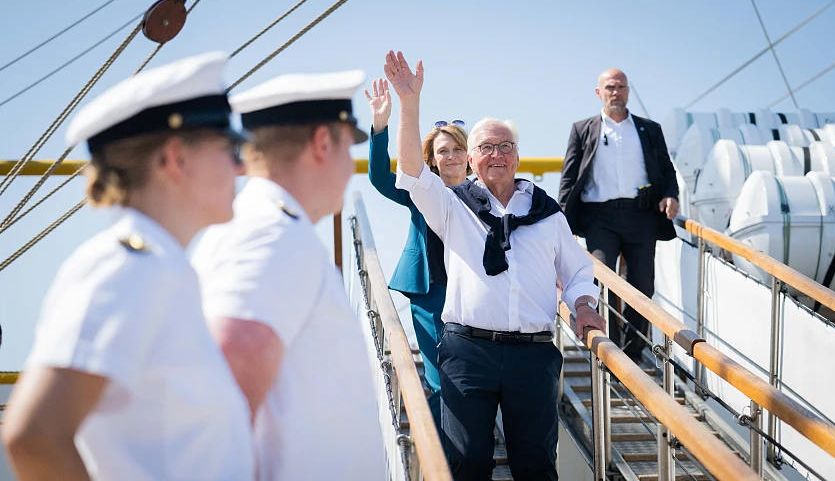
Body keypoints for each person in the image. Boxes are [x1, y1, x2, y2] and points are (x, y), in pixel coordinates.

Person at [2, 52, 254, 481]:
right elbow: (35, 435)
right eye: (229, 148)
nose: (242, 165)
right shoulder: (130, 268)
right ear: (175, 159)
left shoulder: (164, 269)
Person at [384, 50, 606, 480]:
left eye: (506, 146)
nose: (497, 154)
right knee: (467, 463)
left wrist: (582, 304)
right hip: (468, 353)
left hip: (533, 355)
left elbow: (578, 271)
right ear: (471, 160)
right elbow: (412, 173)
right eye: (486, 147)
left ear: (518, 157)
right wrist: (409, 106)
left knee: (537, 466)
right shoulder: (452, 207)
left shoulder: (548, 214)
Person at [191, 70, 386, 480]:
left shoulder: (267, 227)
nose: (351, 166)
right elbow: (229, 373)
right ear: (323, 142)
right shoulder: (271, 232)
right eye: (349, 148)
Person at [365, 77, 470, 438]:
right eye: (443, 151)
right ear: (431, 159)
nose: (451, 157)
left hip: (478, 294)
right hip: (432, 291)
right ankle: (446, 457)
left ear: (470, 157)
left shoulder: (487, 194)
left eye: (458, 150)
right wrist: (381, 125)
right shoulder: (421, 191)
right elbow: (380, 178)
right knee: (442, 377)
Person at [557, 68, 678, 362]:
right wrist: (561, 223)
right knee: (600, 277)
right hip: (600, 218)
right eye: (610, 87)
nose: (616, 92)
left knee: (643, 283)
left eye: (621, 87)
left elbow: (666, 169)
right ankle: (605, 348)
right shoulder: (583, 129)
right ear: (599, 92)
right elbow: (569, 176)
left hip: (642, 215)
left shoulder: (650, 129)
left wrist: (671, 195)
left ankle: (633, 351)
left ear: (628, 91)